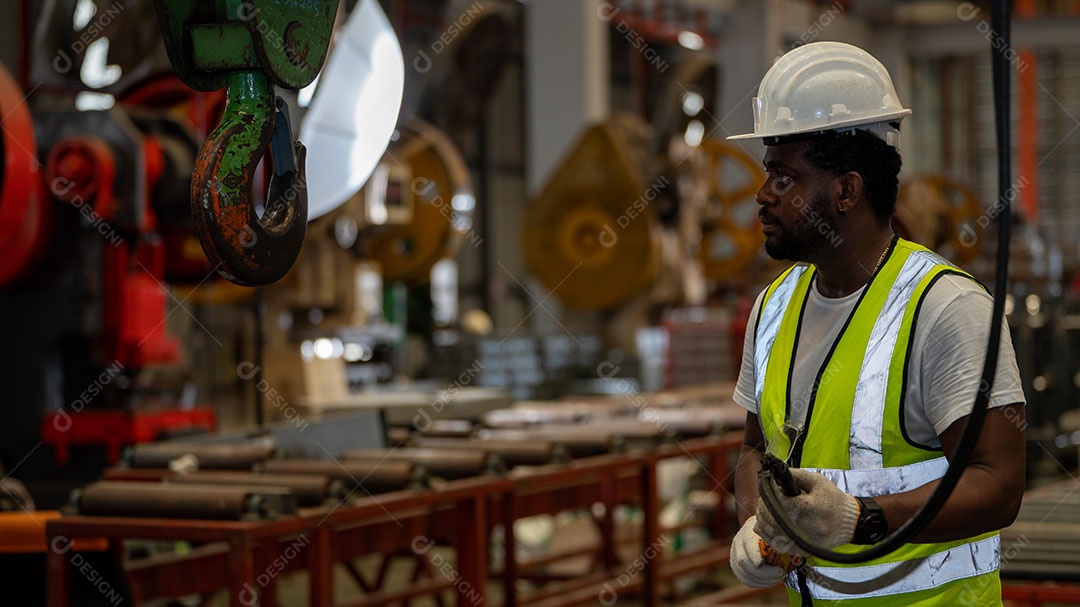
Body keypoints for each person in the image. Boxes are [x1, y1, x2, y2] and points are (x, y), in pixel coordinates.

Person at [725, 41, 1026, 606]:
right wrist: (759, 525)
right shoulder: (772, 308)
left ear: (846, 190)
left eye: (784, 178)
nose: (763, 196)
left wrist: (862, 520)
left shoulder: (944, 308)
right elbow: (753, 451)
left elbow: (999, 486)